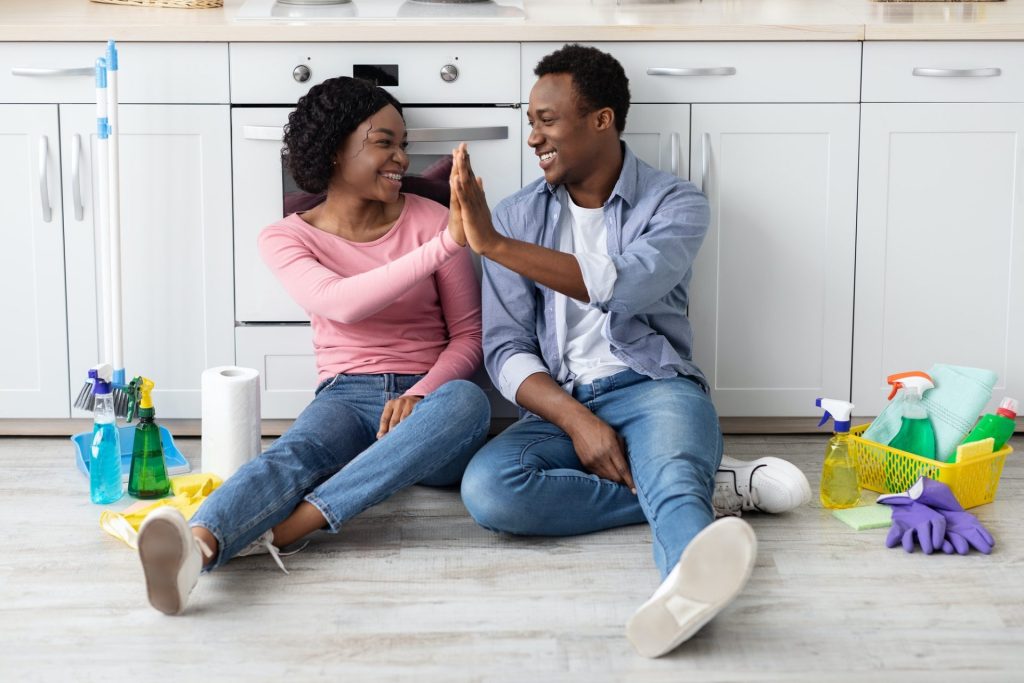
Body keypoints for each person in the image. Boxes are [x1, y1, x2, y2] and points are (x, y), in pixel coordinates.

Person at [450, 45, 811, 657]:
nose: (533, 136)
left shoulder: (675, 204)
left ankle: (684, 584)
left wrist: (493, 245)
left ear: (602, 120)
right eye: (530, 119)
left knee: (670, 479)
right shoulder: (515, 215)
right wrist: (578, 420)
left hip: (654, 388)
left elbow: (622, 282)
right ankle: (706, 489)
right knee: (490, 491)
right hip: (560, 405)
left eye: (547, 120)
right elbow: (506, 350)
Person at [136, 76, 490, 615]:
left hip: (428, 409)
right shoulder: (287, 237)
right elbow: (341, 302)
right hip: (346, 396)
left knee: (470, 403)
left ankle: (293, 526)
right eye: (384, 142)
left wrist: (422, 392)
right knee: (293, 453)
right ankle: (197, 545)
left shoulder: (431, 220)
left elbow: (470, 336)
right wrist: (446, 245)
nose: (400, 158)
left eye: (404, 145)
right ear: (334, 150)